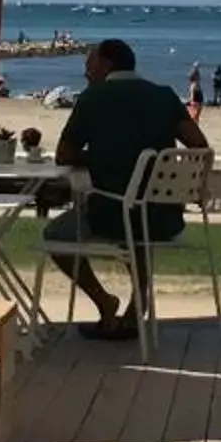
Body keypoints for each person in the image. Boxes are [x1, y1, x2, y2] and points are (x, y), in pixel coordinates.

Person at [39, 38, 208, 341]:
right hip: (163, 216)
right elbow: (199, 148)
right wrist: (171, 186)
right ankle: (136, 310)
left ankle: (104, 301)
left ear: (106, 64)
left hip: (110, 215)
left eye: (89, 65)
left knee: (54, 235)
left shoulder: (94, 97)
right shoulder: (164, 96)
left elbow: (64, 155)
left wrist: (97, 158)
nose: (86, 73)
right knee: (137, 219)